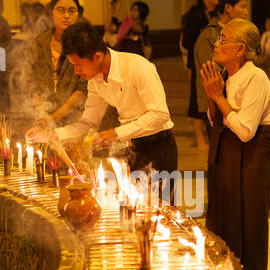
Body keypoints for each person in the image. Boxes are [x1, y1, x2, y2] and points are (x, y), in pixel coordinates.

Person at [200, 19, 270, 270]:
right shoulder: (226, 75)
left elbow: (247, 131)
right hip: (228, 150)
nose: (216, 43)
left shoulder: (255, 78)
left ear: (240, 49)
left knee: (250, 223)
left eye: (223, 39)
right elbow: (215, 119)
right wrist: (212, 96)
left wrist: (218, 97)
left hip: (254, 152)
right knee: (224, 218)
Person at [26, 21, 178, 180]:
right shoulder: (95, 81)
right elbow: (89, 123)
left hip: (158, 146)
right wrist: (51, 135)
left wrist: (116, 133)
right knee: (133, 202)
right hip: (130, 148)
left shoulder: (137, 67)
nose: (77, 72)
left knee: (162, 203)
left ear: (97, 57)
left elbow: (160, 114)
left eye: (78, 65)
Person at [194, 0, 248, 148]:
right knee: (221, 155)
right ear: (228, 8)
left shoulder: (239, 33)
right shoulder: (209, 36)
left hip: (235, 101)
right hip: (215, 104)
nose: (246, 12)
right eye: (243, 7)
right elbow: (211, 73)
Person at [24, 0, 87, 127]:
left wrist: (54, 117)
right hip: (43, 115)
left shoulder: (85, 44)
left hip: (76, 118)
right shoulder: (40, 42)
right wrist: (42, 113)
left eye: (72, 11)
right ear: (51, 13)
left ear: (78, 14)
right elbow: (31, 81)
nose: (66, 16)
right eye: (60, 10)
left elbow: (83, 89)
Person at [182, 0, 220, 150]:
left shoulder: (216, 14)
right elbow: (186, 41)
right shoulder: (195, 14)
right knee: (197, 100)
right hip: (198, 62)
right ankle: (199, 138)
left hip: (213, 63)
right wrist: (203, 45)